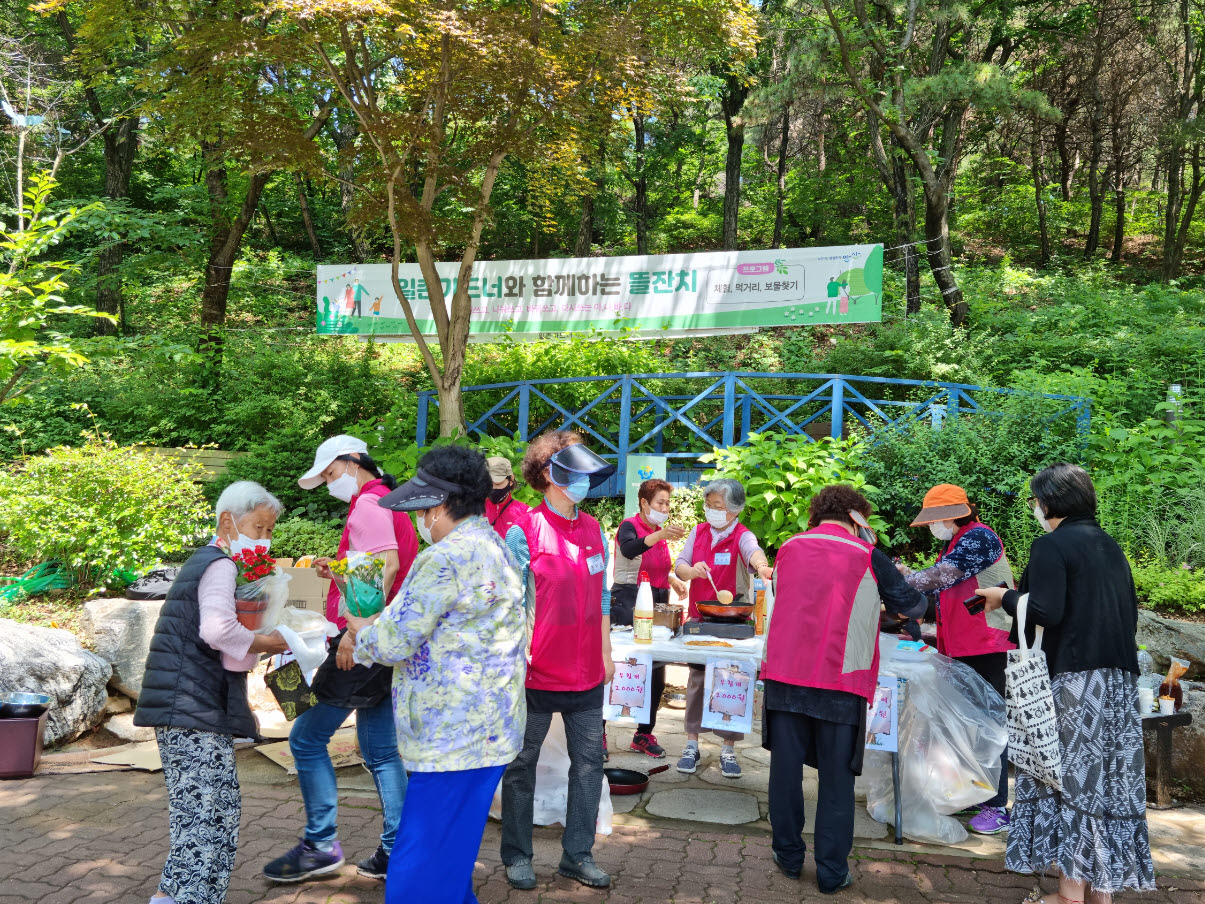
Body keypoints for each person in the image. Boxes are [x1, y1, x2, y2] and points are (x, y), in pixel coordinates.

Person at [344, 445, 527, 904]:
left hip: (450, 737)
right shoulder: (496, 546)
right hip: (490, 728)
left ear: (441, 505)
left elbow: (391, 642)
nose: (420, 520)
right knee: (449, 858)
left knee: (418, 871)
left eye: (423, 509)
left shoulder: (444, 558)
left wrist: (360, 625)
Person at [979, 464, 1155, 904]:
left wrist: (1005, 598)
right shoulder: (1111, 547)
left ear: (1050, 502)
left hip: (1076, 683)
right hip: (1118, 682)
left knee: (1069, 778)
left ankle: (1069, 894)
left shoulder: (1051, 545)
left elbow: (1047, 611)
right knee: (1107, 780)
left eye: (1036, 501)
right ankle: (1100, 892)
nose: (1035, 508)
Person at [263, 435, 418, 884]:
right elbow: (381, 566)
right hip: (386, 640)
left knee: (307, 739)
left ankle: (320, 844)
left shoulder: (369, 505)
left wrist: (354, 632)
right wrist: (340, 571)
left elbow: (386, 567)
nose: (331, 484)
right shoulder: (389, 501)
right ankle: (397, 849)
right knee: (383, 753)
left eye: (331, 474)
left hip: (363, 641)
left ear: (352, 463)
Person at [762, 484, 927, 894]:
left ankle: (788, 857)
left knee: (784, 773)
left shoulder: (788, 548)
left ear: (818, 514)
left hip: (785, 676)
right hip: (840, 680)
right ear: (858, 517)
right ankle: (832, 873)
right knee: (836, 781)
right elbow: (914, 605)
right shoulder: (868, 555)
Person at [135, 481, 290, 904]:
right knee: (212, 817)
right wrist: (267, 642)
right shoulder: (220, 564)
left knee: (195, 813)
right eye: (258, 528)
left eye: (268, 530)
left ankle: (170, 897)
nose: (264, 539)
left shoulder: (209, 560)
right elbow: (218, 630)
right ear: (227, 521)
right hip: (190, 703)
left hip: (182, 703)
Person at [500, 431, 616, 890]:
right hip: (535, 672)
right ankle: (517, 854)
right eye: (576, 473)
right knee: (521, 765)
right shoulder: (523, 530)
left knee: (589, 765)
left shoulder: (592, 529)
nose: (585, 481)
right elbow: (507, 604)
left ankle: (577, 855)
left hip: (587, 671)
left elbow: (604, 598)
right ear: (549, 474)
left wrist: (606, 653)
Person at [902, 483, 1017, 835]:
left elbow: (941, 577)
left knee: (988, 722)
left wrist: (898, 583)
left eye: (935, 519)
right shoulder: (956, 542)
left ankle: (997, 806)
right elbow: (941, 592)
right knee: (961, 722)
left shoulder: (978, 538)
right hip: (963, 644)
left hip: (988, 644)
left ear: (951, 515)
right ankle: (969, 793)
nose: (933, 527)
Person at [673, 478, 773, 778]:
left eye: (718, 507)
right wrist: (690, 571)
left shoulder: (742, 535)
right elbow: (681, 563)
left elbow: (753, 553)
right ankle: (691, 744)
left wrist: (763, 566)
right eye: (709, 505)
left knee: (732, 682)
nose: (711, 511)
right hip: (700, 616)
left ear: (735, 510)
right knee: (698, 681)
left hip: (734, 617)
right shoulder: (699, 532)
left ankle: (728, 748)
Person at [608, 478, 688, 758]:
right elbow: (631, 551)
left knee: (656, 669)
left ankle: (644, 733)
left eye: (667, 503)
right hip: (628, 604)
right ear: (644, 503)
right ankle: (600, 734)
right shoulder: (631, 526)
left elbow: (650, 564)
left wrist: (671, 579)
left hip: (658, 605)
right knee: (620, 667)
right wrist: (660, 535)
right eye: (659, 503)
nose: (665, 508)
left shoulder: (657, 532)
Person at [485, 455, 530, 539]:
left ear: (511, 480)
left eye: (498, 484)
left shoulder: (525, 513)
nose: (493, 488)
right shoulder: (474, 510)